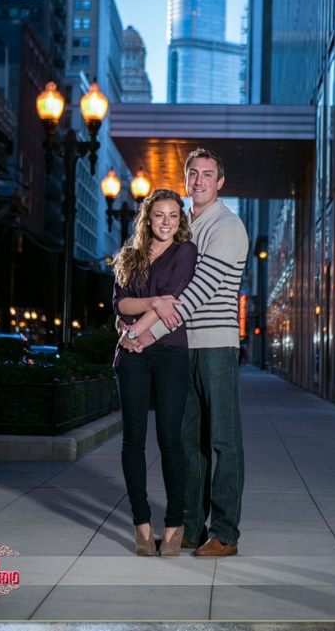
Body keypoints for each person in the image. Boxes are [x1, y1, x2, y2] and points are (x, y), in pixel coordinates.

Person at [121, 149, 249, 558]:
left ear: (220, 182)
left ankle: (226, 532)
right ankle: (191, 526)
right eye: (192, 174)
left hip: (216, 345)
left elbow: (192, 295)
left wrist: (140, 334)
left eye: (207, 175)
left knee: (224, 440)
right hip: (185, 346)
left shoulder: (227, 226)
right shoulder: (185, 226)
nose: (198, 181)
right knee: (188, 441)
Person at [112, 189, 197, 557]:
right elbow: (121, 302)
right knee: (133, 439)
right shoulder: (130, 255)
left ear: (181, 220)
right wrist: (152, 302)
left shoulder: (185, 252)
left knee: (170, 439)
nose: (166, 222)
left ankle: (174, 525)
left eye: (173, 216)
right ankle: (142, 525)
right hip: (131, 358)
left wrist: (133, 334)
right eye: (159, 215)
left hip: (169, 354)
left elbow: (174, 302)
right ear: (148, 219)